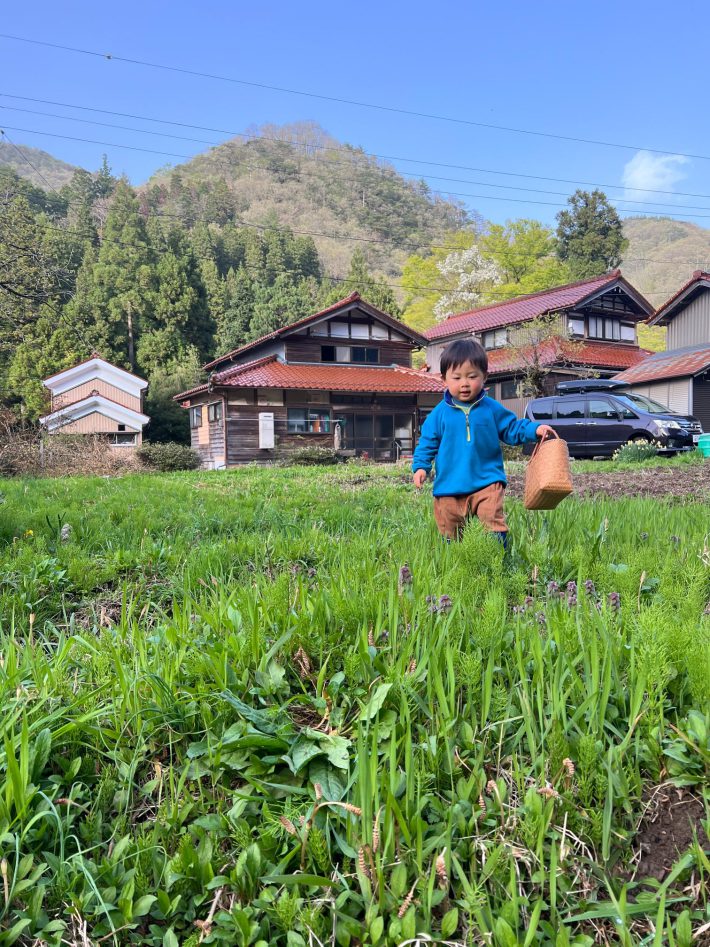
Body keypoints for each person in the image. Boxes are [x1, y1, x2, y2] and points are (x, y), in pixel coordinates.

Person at [412, 338, 554, 544]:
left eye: (472, 376)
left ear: (484, 377)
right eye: (457, 378)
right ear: (444, 380)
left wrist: (534, 429)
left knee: (492, 520)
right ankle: (456, 561)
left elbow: (511, 428)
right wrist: (420, 467)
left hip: (487, 480)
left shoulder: (491, 408)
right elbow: (427, 443)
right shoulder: (438, 415)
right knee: (450, 529)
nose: (464, 384)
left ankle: (497, 560)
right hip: (449, 485)